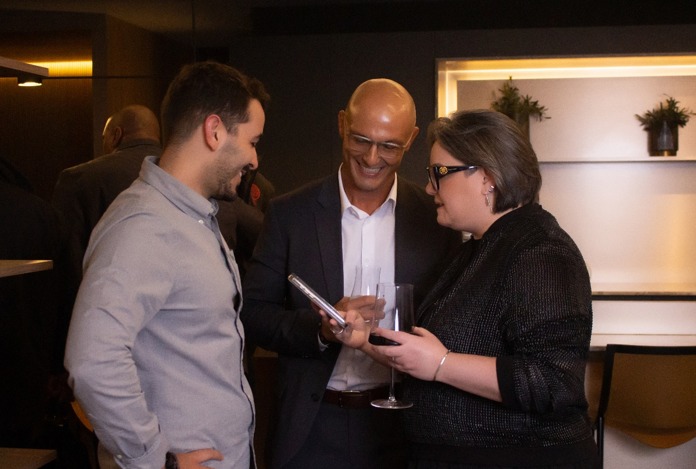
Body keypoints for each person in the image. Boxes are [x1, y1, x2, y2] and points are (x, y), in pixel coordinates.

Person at [334, 110, 599, 468]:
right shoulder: (475, 249)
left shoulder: (540, 250)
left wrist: (443, 364)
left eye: (439, 173)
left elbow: (555, 382)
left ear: (487, 177)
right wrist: (364, 340)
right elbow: (425, 357)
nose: (429, 187)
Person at [241, 78, 462, 469]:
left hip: (406, 428)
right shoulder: (290, 214)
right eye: (361, 139)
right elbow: (252, 314)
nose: (372, 157)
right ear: (342, 123)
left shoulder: (437, 221)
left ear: (411, 140)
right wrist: (321, 330)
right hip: (312, 428)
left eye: (389, 145)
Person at [64, 61, 270, 469]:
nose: (254, 159)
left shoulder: (194, 218)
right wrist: (154, 461)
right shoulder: (143, 225)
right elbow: (92, 361)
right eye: (252, 141)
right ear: (214, 131)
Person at [51, 104, 162, 288]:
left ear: (116, 135)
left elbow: (68, 260)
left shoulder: (78, 178)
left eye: (104, 138)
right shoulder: (187, 175)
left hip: (105, 294)